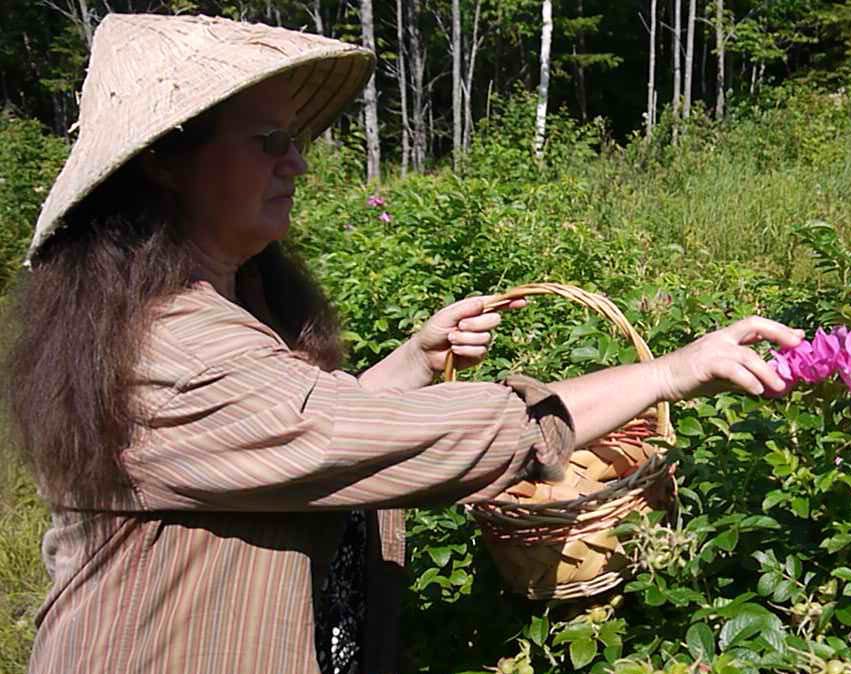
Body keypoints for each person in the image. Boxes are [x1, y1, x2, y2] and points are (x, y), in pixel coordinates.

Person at [2, 13, 804, 674]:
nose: (298, 166)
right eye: (268, 142)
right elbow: (367, 435)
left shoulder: (203, 310)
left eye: (294, 141)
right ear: (166, 165)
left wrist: (416, 360)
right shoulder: (170, 357)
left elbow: (303, 425)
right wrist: (668, 372)